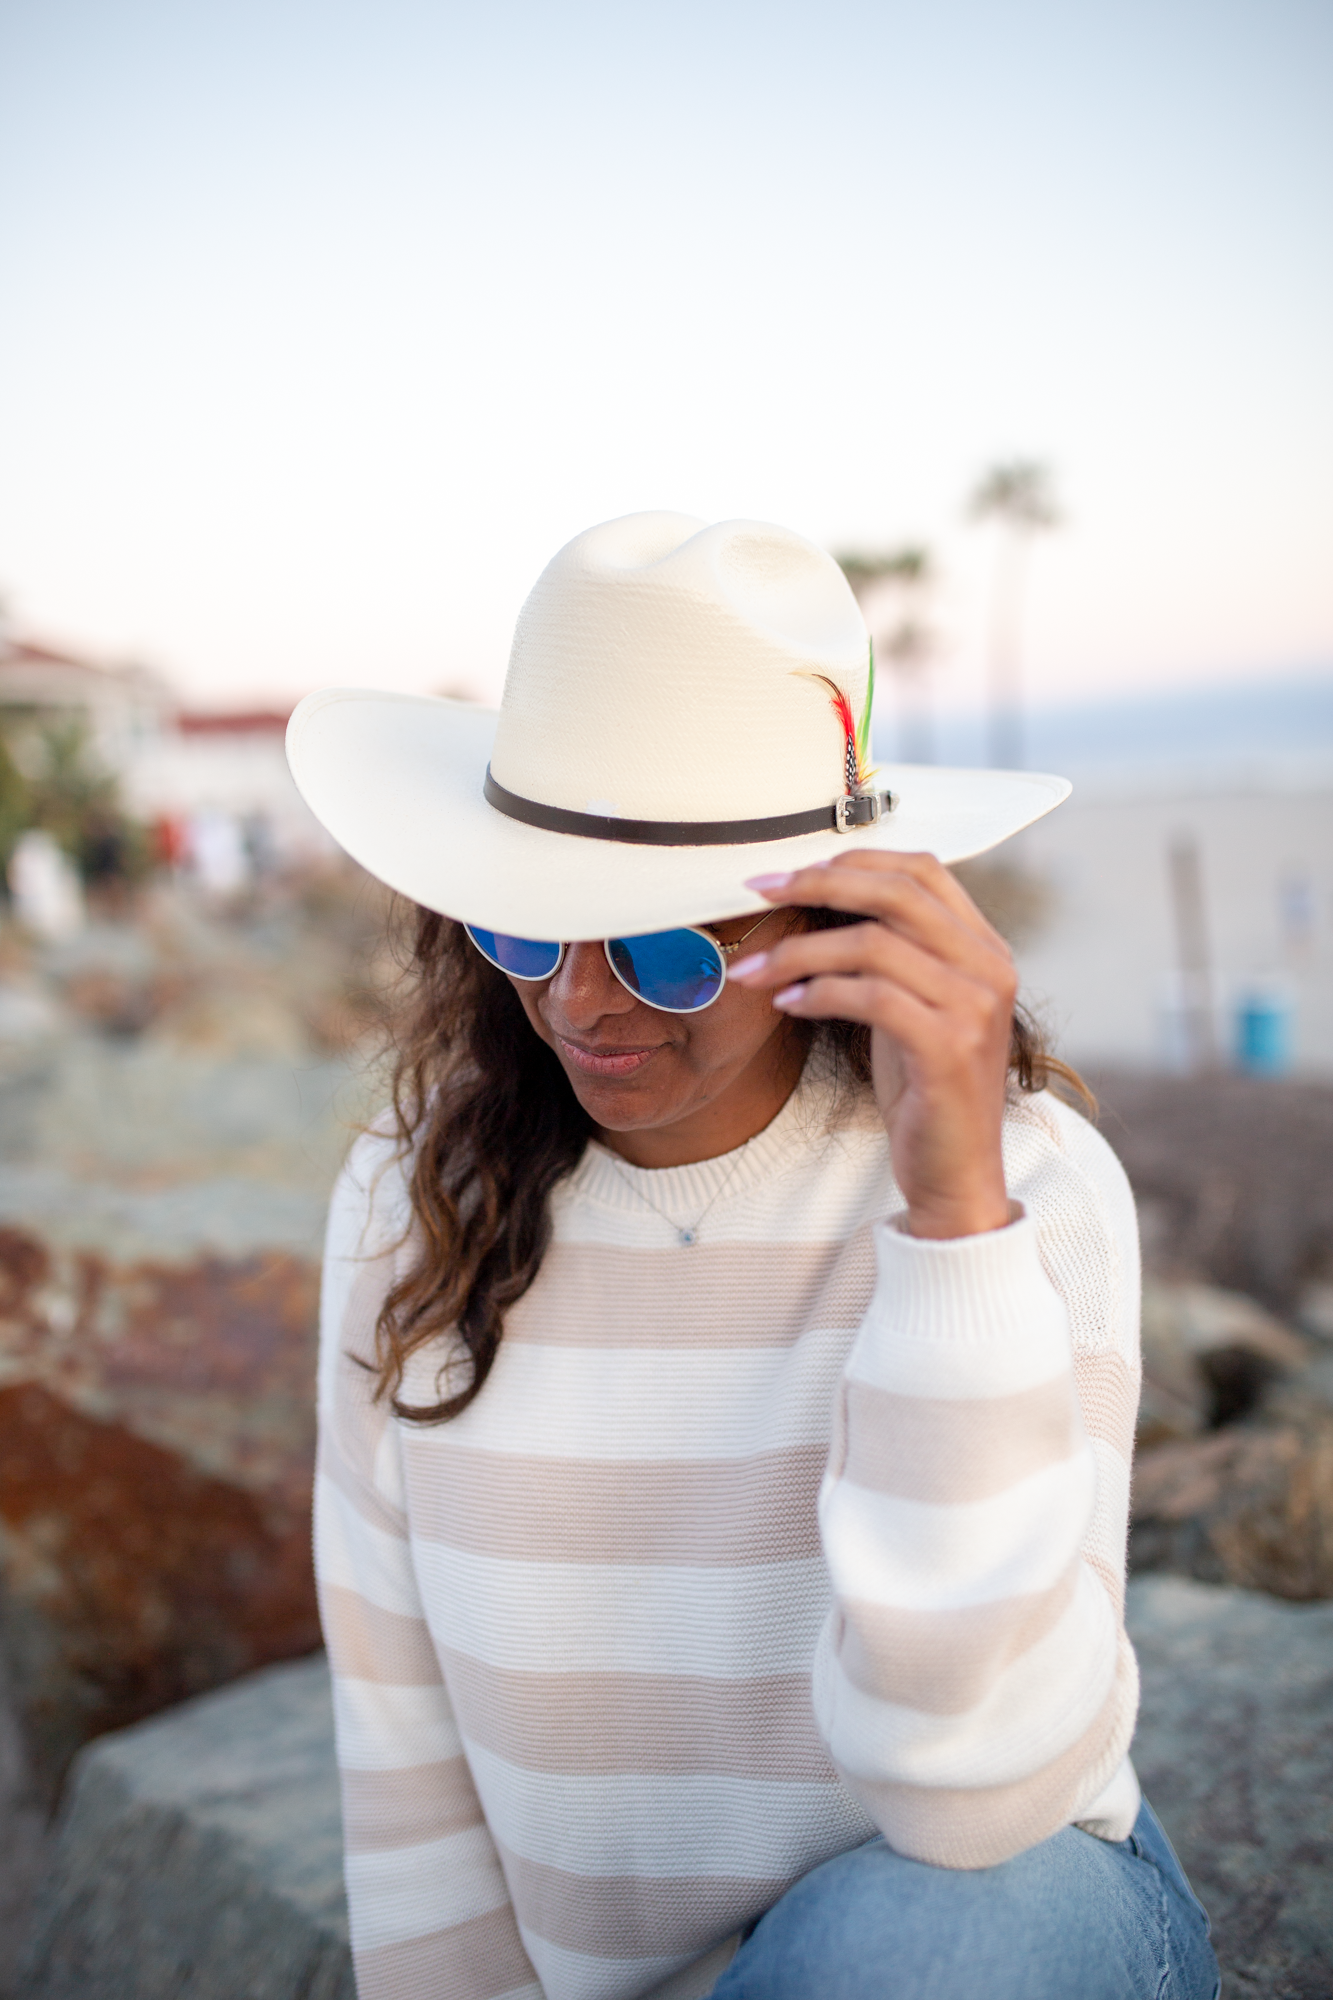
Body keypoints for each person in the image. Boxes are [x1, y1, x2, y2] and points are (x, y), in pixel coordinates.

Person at [288, 513, 1219, 2000]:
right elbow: (403, 1752)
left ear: (829, 910)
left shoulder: (1031, 1190)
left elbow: (972, 1798)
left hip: (976, 1925)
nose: (585, 1004)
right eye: (529, 929)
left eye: (663, 947)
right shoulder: (412, 1205)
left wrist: (952, 1227)